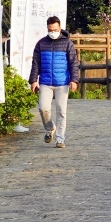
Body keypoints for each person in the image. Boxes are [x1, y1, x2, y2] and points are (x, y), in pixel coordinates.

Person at [28, 16, 80, 148]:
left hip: (62, 82)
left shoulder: (67, 43)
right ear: (47, 28)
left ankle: (60, 139)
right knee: (43, 108)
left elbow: (74, 63)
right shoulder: (41, 43)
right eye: (50, 29)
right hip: (45, 82)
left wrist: (74, 80)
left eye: (55, 29)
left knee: (61, 110)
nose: (53, 32)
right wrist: (33, 80)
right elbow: (35, 63)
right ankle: (50, 127)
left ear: (60, 27)